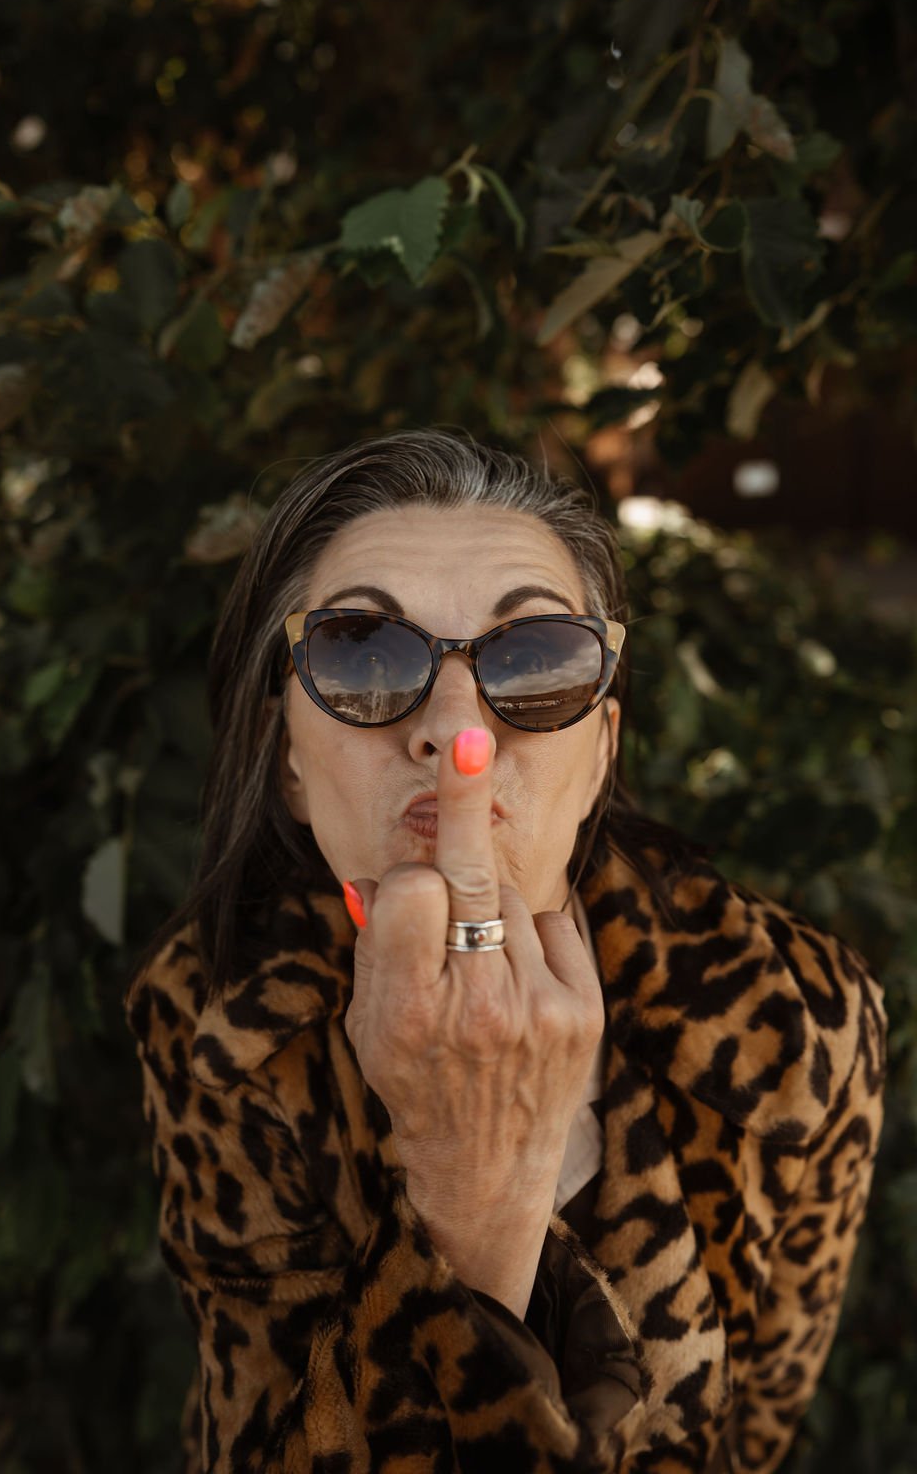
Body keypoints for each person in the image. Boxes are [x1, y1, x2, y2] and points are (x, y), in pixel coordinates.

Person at [123, 428, 888, 1474]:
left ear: (601, 750)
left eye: (532, 659)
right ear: (289, 764)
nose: (451, 721)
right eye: (359, 648)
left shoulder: (799, 1026)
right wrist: (472, 1199)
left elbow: (748, 1438)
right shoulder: (219, 1022)